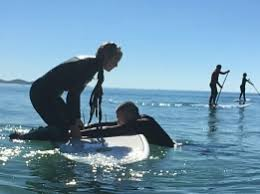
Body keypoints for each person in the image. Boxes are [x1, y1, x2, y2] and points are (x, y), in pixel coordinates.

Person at [9, 42, 123, 141]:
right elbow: (73, 95)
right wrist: (74, 123)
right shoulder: (88, 66)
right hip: (41, 94)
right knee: (62, 131)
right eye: (116, 60)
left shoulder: (91, 64)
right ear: (107, 57)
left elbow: (74, 94)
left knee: (66, 126)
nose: (117, 65)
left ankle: (39, 132)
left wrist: (75, 119)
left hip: (50, 95)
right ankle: (21, 138)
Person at [81, 101, 176, 147]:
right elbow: (108, 124)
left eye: (119, 116)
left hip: (173, 149)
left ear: (128, 115)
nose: (117, 119)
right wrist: (84, 128)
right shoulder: (139, 118)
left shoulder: (144, 123)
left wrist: (79, 134)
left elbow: (111, 130)